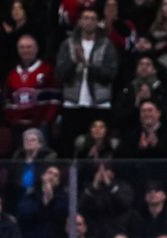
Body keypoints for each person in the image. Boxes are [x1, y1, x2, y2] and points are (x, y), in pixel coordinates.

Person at [55, 4, 118, 155]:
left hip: (99, 105)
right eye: (85, 18)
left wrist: (87, 65)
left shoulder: (107, 45)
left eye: (92, 19)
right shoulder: (67, 44)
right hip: (72, 104)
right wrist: (75, 62)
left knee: (98, 150)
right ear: (79, 21)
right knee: (70, 149)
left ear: (98, 22)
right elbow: (60, 74)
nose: (89, 22)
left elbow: (110, 75)